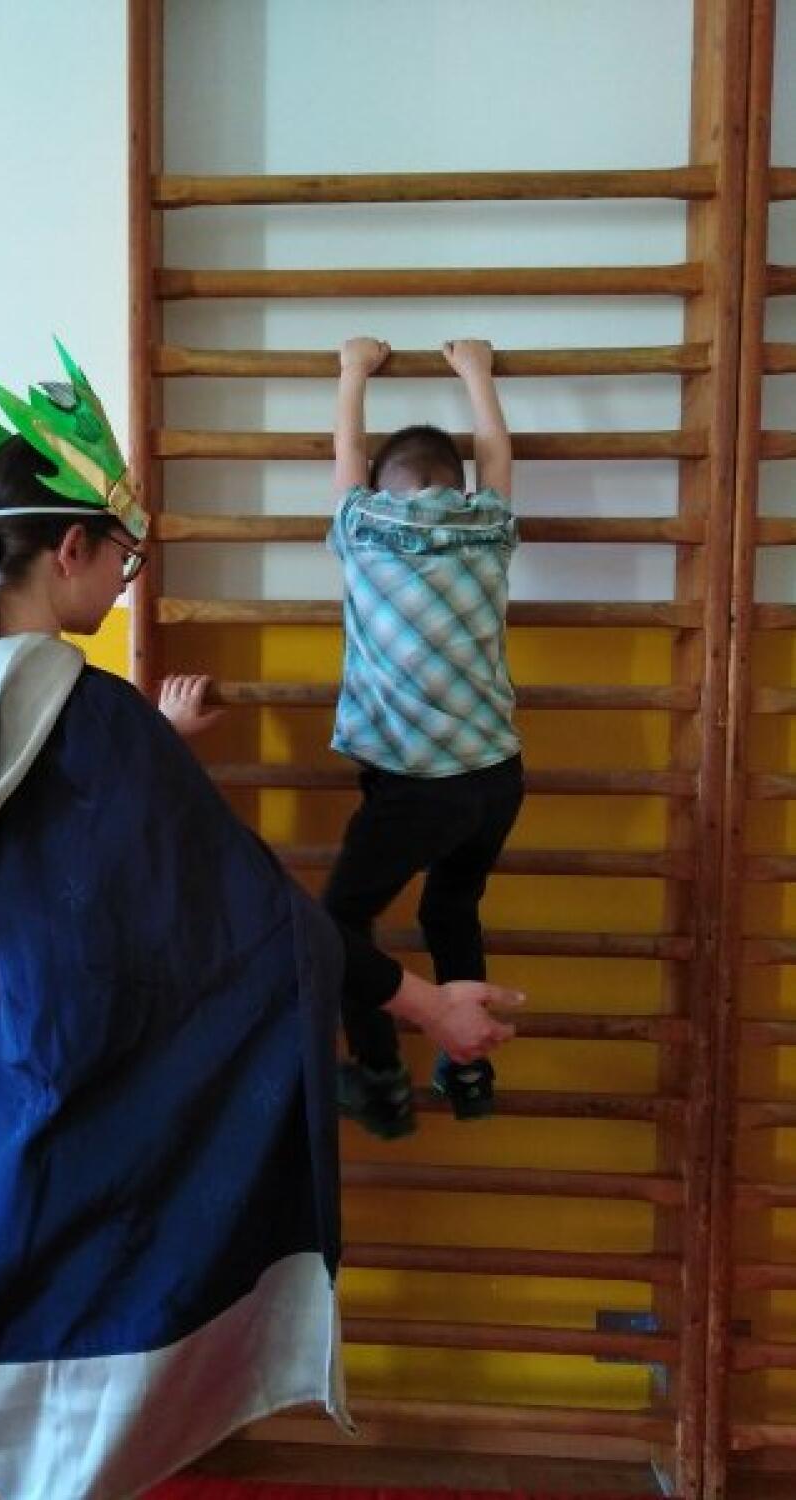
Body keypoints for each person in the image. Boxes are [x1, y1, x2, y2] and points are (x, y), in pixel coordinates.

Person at [0, 340, 522, 1500]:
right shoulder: (93, 723)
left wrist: (152, 752)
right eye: (123, 556)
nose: (126, 580)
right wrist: (423, 1004)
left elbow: (31, 828)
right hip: (71, 1095)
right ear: (70, 548)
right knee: (53, 1342)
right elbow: (258, 919)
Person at [325, 336, 525, 1139]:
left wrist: (352, 372)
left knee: (339, 924)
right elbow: (497, 454)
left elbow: (344, 451)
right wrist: (475, 372)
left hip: (418, 785)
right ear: (458, 487)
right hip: (497, 778)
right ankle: (469, 1069)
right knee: (451, 907)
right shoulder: (488, 525)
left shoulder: (363, 526)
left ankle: (380, 1077)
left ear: (382, 488)